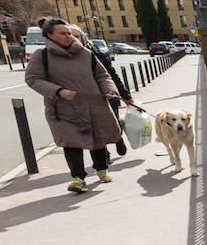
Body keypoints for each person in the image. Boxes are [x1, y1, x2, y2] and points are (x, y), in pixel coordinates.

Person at [23, 18, 123, 193]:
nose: (68, 36)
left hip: (93, 104)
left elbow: (103, 75)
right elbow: (32, 79)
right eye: (63, 33)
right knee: (71, 144)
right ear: (49, 35)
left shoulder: (86, 53)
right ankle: (78, 179)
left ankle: (101, 170)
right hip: (63, 109)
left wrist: (110, 90)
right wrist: (58, 91)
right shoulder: (42, 56)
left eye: (69, 32)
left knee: (98, 140)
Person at [71, 25, 135, 156]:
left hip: (107, 94)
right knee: (94, 127)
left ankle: (118, 139)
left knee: (113, 122)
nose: (72, 38)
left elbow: (112, 75)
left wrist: (126, 96)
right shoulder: (66, 56)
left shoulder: (94, 53)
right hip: (86, 99)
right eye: (70, 35)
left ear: (84, 39)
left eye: (76, 36)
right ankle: (104, 153)